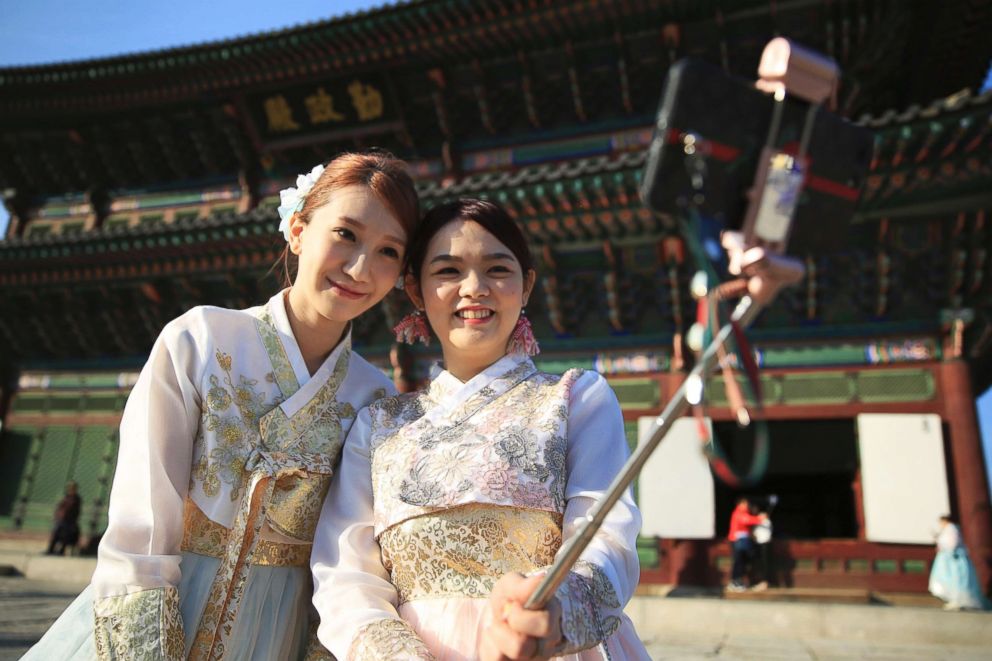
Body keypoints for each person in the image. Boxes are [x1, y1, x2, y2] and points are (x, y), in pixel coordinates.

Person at [24, 151, 420, 660]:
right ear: (298, 230)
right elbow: (142, 517)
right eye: (345, 234)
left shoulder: (375, 397)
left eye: (389, 251)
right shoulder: (201, 339)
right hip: (165, 602)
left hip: (280, 629)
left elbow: (353, 553)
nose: (361, 267)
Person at [311, 198, 649, 660]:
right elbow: (345, 572)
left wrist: (554, 610)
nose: (475, 288)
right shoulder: (378, 423)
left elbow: (605, 536)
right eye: (448, 271)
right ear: (416, 291)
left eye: (498, 269)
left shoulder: (576, 398)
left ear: (526, 285)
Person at [929, 515, 990, 611]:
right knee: (950, 579)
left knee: (956, 579)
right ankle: (954, 600)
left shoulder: (952, 529)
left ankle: (959, 600)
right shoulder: (947, 530)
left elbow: (953, 543)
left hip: (953, 560)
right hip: (947, 559)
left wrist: (944, 547)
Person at [726, 497, 764, 592]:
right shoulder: (738, 513)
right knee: (739, 562)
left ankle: (739, 581)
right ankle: (736, 582)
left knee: (743, 562)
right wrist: (759, 518)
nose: (746, 506)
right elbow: (746, 520)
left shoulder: (745, 513)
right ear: (739, 504)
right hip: (738, 541)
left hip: (744, 541)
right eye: (745, 504)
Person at [47, 481, 82, 556]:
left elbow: (73, 510)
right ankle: (50, 550)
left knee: (66, 535)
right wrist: (57, 516)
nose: (70, 490)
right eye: (69, 488)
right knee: (56, 534)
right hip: (62, 520)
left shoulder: (76, 499)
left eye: (72, 488)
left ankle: (61, 551)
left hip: (69, 521)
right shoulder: (66, 497)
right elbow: (60, 508)